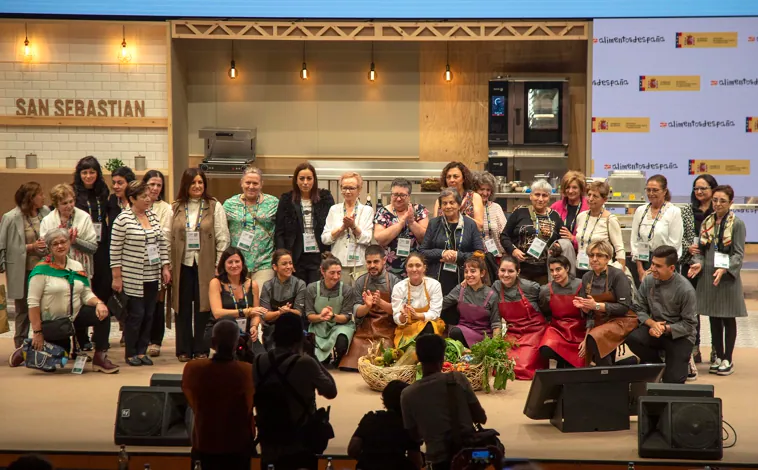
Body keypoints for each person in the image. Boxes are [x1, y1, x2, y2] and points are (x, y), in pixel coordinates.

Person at [8, 228, 118, 373]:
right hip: (53, 322)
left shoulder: (76, 266)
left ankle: (100, 358)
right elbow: (33, 304)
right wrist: (37, 332)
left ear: (68, 243)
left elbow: (85, 293)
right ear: (49, 247)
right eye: (55, 244)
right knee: (59, 360)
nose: (60, 246)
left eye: (63, 242)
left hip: (74, 316)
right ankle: (27, 348)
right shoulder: (41, 271)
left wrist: (99, 303)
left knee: (103, 315)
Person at [253, 312, 338, 470]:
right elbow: (331, 391)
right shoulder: (305, 363)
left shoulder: (259, 361)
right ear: (300, 337)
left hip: (269, 441)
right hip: (299, 444)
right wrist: (313, 356)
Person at [401, 334, 487, 470]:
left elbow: (414, 436)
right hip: (468, 456)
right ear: (443, 357)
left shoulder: (408, 394)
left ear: (418, 357)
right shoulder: (458, 379)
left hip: (437, 461)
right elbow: (481, 417)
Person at [111, 181, 171, 367]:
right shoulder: (123, 219)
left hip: (152, 275)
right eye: (143, 196)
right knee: (136, 315)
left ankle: (142, 351)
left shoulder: (152, 216)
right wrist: (117, 276)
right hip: (132, 276)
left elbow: (161, 243)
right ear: (132, 199)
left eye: (148, 196)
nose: (148, 199)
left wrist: (165, 267)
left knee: (149, 315)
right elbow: (114, 250)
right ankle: (131, 353)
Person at [688, 185, 746, 377]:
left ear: (731, 202)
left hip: (727, 277)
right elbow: (701, 252)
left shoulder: (736, 224)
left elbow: (738, 254)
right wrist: (698, 264)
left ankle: (728, 358)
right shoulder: (707, 222)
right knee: (713, 317)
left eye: (722, 200)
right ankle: (718, 355)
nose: (718, 204)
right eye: (715, 200)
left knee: (728, 318)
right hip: (710, 276)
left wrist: (726, 268)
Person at [172, 168, 230, 362]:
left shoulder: (214, 206)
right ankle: (183, 349)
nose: (197, 186)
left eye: (200, 182)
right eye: (193, 183)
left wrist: (218, 265)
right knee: (182, 307)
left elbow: (223, 238)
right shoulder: (176, 206)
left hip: (206, 264)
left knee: (204, 307)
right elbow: (167, 238)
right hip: (182, 263)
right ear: (186, 185)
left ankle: (201, 348)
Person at [182, 320, 255, 470]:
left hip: (205, 443)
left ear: (212, 343)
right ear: (237, 343)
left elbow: (191, 400)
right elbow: (251, 402)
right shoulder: (248, 371)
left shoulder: (193, 368)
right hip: (238, 446)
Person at [624, 246, 697, 384]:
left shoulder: (685, 289)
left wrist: (665, 328)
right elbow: (638, 308)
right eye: (652, 264)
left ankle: (681, 362)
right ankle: (657, 362)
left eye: (658, 266)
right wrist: (652, 324)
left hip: (680, 336)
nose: (652, 268)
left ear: (671, 268)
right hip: (655, 329)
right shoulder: (648, 280)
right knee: (632, 337)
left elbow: (689, 325)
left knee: (673, 382)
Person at [0, 182, 50, 350]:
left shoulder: (46, 213)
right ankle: (20, 344)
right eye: (40, 194)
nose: (43, 197)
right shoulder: (11, 217)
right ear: (31, 198)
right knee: (22, 308)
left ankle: (45, 342)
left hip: (43, 267)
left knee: (44, 305)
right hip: (22, 269)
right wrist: (31, 247)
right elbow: (5, 246)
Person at [573, 239, 637, 366]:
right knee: (590, 340)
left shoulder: (618, 275)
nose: (594, 259)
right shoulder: (587, 277)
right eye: (591, 255)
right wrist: (585, 308)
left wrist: (596, 305)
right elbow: (590, 314)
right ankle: (613, 370)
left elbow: (624, 307)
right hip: (600, 321)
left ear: (608, 258)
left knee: (597, 336)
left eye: (599, 255)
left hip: (622, 320)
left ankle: (607, 376)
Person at [340, 245, 401, 370]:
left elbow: (398, 311)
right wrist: (367, 306)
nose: (372, 265)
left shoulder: (395, 281)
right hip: (365, 328)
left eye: (376, 261)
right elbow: (356, 312)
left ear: (384, 261)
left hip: (386, 328)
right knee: (349, 366)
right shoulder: (360, 282)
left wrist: (380, 303)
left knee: (384, 362)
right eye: (369, 262)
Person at [73, 156, 112, 350]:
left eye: (92, 172)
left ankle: (99, 332)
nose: (88, 176)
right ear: (79, 174)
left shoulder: (103, 192)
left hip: (101, 246)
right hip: (80, 247)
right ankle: (81, 338)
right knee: (82, 288)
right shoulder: (73, 194)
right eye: (84, 172)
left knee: (102, 287)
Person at [275, 162, 335, 284]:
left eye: (309, 178)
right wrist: (284, 259)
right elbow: (279, 232)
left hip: (319, 254)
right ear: (296, 180)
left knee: (315, 290)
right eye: (302, 178)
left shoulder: (325, 198)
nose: (305, 182)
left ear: (314, 180)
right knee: (299, 292)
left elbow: (332, 226)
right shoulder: (286, 199)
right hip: (296, 255)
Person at [419, 189, 484, 299]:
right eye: (444, 203)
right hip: (437, 279)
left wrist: (458, 256)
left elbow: (480, 253)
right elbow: (422, 252)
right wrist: (442, 253)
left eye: (452, 202)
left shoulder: (470, 224)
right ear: (441, 206)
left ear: (459, 205)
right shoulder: (434, 223)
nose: (448, 206)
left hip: (464, 278)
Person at [224, 166, 278, 292]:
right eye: (248, 182)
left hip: (264, 262)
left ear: (261, 184)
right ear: (241, 183)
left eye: (255, 183)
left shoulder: (273, 203)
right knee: (240, 301)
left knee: (259, 300)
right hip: (237, 263)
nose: (251, 186)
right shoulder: (229, 204)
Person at [682, 174, 718, 364]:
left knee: (713, 309)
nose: (699, 192)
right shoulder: (687, 211)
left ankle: (716, 348)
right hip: (690, 264)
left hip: (711, 265)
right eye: (696, 188)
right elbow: (679, 235)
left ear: (713, 189)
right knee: (691, 309)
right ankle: (693, 348)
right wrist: (687, 245)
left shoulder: (718, 211)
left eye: (703, 188)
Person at [348, 380, 423, 470]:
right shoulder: (408, 426)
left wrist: (369, 461)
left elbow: (352, 449)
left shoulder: (370, 419)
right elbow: (416, 462)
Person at [500, 180, 564, 284]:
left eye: (544, 195)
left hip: (546, 271)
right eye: (537, 194)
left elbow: (563, 240)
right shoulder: (519, 212)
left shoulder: (555, 216)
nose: (540, 199)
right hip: (521, 269)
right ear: (530, 196)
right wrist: (513, 250)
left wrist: (558, 245)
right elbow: (504, 236)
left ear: (549, 198)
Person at [494, 256, 547, 379]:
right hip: (513, 333)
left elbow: (545, 299)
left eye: (511, 271)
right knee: (501, 366)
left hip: (534, 332)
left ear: (518, 272)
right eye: (502, 270)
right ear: (498, 271)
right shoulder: (496, 287)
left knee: (523, 366)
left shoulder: (531, 287)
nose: (506, 275)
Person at [207, 247, 266, 356]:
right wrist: (245, 311)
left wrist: (254, 326)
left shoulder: (253, 285)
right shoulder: (215, 283)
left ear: (242, 263)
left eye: (237, 261)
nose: (234, 265)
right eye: (230, 262)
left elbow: (256, 313)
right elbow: (217, 313)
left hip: (245, 332)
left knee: (261, 357)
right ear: (223, 265)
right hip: (220, 330)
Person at [321, 171, 374, 285]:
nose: (347, 191)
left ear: (359, 190)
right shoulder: (334, 209)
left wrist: (353, 226)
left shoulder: (367, 210)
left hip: (359, 264)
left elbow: (367, 239)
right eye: (344, 188)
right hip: (337, 265)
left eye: (351, 188)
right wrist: (341, 228)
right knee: (340, 298)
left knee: (358, 297)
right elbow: (325, 239)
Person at [305, 255, 358, 366]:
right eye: (332, 273)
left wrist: (333, 316)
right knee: (321, 363)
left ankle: (339, 358)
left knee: (342, 341)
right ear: (322, 272)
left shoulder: (347, 290)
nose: (336, 276)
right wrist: (321, 317)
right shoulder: (312, 288)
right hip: (319, 325)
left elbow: (346, 317)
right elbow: (309, 315)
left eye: (339, 273)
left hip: (339, 325)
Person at [631, 174, 683, 285]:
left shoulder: (674, 212)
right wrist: (640, 270)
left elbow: (674, 244)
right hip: (643, 262)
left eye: (655, 190)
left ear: (664, 191)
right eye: (648, 190)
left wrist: (655, 267)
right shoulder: (640, 210)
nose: (651, 193)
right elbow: (635, 241)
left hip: (665, 264)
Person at [40, 184, 98, 281]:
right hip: (55, 271)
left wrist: (75, 242)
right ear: (56, 205)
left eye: (71, 201)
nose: (69, 206)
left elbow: (93, 248)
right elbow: (44, 251)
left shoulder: (84, 217)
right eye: (64, 203)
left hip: (81, 271)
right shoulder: (47, 221)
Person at [374, 177, 429, 278]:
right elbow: (380, 239)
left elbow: (426, 238)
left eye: (402, 195)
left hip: (415, 268)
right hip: (389, 268)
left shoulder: (419, 210)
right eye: (395, 195)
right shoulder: (382, 212)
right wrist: (401, 223)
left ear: (409, 196)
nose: (398, 199)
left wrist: (412, 222)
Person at [144, 170, 173, 358]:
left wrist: (166, 265)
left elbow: (164, 236)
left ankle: (155, 340)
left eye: (159, 185)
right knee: (140, 304)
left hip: (158, 260)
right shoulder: (134, 205)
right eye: (151, 184)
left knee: (156, 302)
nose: (155, 188)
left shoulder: (166, 208)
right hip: (137, 262)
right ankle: (140, 339)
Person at [442, 254, 500, 348]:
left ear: (482, 273)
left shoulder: (492, 295)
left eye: (473, 271)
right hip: (462, 331)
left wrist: (494, 346)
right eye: (466, 272)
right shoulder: (460, 289)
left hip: (484, 336)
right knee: (455, 332)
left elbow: (496, 323)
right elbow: (442, 304)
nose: (469, 275)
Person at [106, 165, 135, 347]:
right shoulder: (111, 202)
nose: (116, 186)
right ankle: (124, 329)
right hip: (115, 253)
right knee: (119, 294)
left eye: (120, 183)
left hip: (133, 255)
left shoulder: (135, 203)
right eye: (114, 183)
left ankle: (131, 331)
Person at [538, 256, 584, 369]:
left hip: (579, 329)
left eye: (558, 269)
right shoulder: (545, 290)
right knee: (545, 349)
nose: (555, 273)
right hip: (558, 329)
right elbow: (545, 311)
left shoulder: (581, 285)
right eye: (552, 270)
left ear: (567, 268)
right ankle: (564, 361)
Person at [572, 180, 625, 278]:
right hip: (581, 268)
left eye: (595, 196)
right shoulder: (581, 216)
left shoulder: (610, 219)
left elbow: (619, 249)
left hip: (602, 271)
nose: (590, 199)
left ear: (604, 199)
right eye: (589, 195)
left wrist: (619, 273)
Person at [391, 252, 445, 347]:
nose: (414, 269)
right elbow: (396, 316)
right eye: (410, 266)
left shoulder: (434, 285)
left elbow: (435, 313)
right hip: (407, 328)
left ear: (424, 268)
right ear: (406, 269)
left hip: (429, 326)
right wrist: (402, 317)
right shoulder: (398, 287)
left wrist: (417, 315)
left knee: (429, 326)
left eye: (418, 265)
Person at [260, 249, 307, 349]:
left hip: (294, 328)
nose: (289, 267)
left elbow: (299, 313)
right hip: (273, 328)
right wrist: (280, 313)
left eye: (290, 263)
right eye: (284, 264)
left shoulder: (300, 284)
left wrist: (288, 311)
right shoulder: (267, 286)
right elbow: (265, 315)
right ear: (275, 267)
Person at [432, 161, 484, 230]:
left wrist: (459, 215)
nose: (451, 180)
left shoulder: (474, 197)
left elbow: (479, 226)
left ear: (463, 179)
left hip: (468, 239)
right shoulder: (440, 200)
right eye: (448, 177)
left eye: (455, 177)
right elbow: (434, 227)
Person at [472, 171, 506, 259]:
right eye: (482, 189)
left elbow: (505, 234)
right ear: (474, 190)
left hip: (496, 257)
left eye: (488, 190)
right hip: (475, 258)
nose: (485, 193)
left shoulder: (496, 207)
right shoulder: (468, 209)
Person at [551, 171, 588, 244]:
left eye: (574, 187)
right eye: (567, 187)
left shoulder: (589, 208)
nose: (570, 191)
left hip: (580, 252)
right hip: (557, 251)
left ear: (581, 189)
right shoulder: (555, 207)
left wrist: (573, 238)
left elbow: (592, 238)